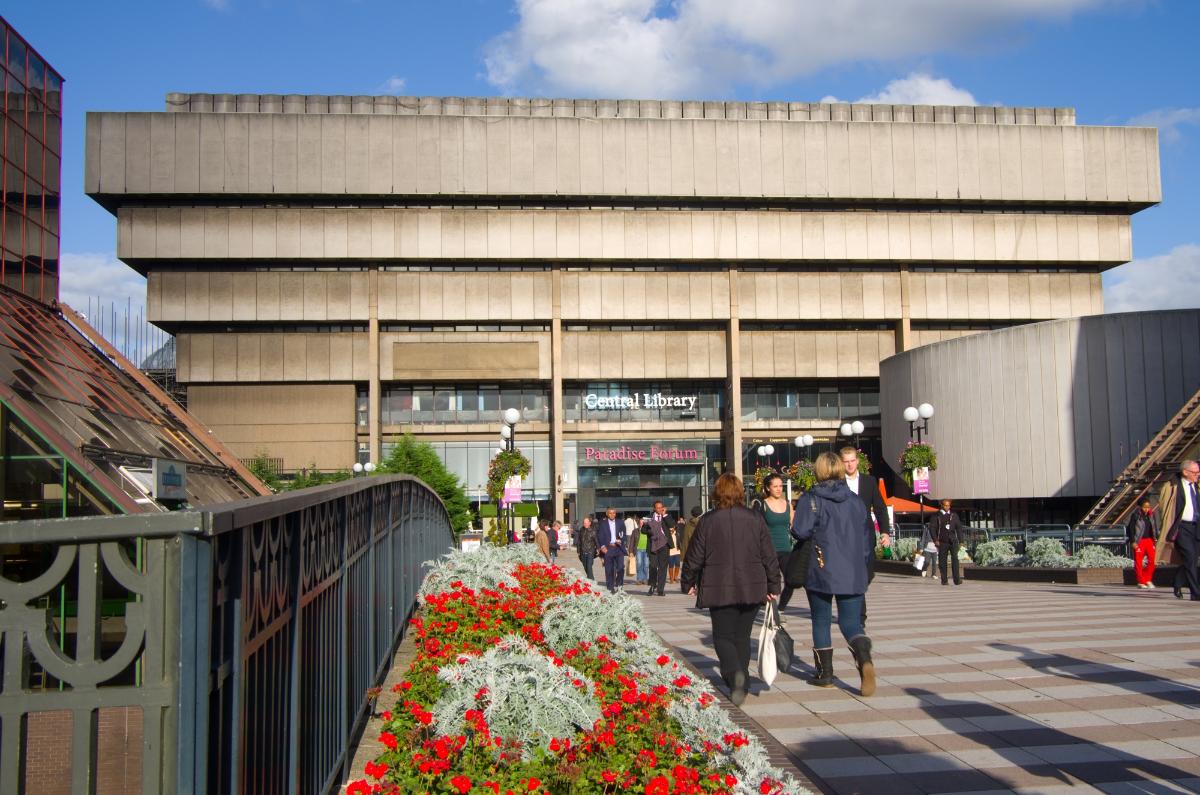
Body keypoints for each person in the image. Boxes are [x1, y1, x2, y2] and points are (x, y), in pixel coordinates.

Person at [680, 473, 781, 706]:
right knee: (742, 636)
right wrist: (773, 585)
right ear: (739, 493)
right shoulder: (755, 518)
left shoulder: (708, 521)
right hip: (752, 587)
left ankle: (734, 673)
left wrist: (688, 582)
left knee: (723, 636)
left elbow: (694, 556)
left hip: (719, 586)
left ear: (717, 493)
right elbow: (769, 555)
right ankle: (742, 680)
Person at [791, 452, 876, 696]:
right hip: (853, 570)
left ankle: (825, 674)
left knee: (821, 619)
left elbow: (801, 531)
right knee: (851, 622)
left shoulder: (812, 498)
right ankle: (862, 652)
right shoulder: (855, 500)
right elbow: (865, 537)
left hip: (822, 567)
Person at [841, 446, 889, 622]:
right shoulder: (838, 482)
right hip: (845, 537)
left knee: (867, 574)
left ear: (857, 461)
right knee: (852, 575)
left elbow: (880, 508)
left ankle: (854, 601)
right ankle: (859, 614)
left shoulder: (869, 481)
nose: (850, 465)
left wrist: (885, 532)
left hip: (866, 535)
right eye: (846, 462)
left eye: (852, 461)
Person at [1158, 460, 1200, 600]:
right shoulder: (1172, 486)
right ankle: (1195, 593)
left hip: (1196, 526)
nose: (1198, 475)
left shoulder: (1196, 486)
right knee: (1189, 556)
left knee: (1192, 559)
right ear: (1185, 472)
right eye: (1195, 472)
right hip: (1181, 527)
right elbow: (1164, 506)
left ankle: (1177, 582)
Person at [755, 473, 796, 609]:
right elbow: (755, 528)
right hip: (768, 550)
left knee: (791, 580)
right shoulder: (762, 505)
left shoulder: (787, 504)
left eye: (780, 486)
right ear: (768, 488)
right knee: (770, 581)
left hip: (786, 549)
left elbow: (795, 526)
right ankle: (768, 609)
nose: (779, 489)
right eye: (775, 486)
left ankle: (781, 607)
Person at [927, 499, 965, 586]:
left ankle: (957, 579)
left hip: (953, 541)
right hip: (942, 542)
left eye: (949, 505)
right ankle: (944, 580)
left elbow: (959, 528)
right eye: (945, 505)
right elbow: (932, 528)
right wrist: (935, 540)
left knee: (955, 560)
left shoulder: (954, 515)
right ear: (941, 505)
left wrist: (961, 541)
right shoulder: (936, 516)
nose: (947, 507)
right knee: (942, 561)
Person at [640, 501, 671, 596]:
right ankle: (653, 586)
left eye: (661, 507)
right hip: (653, 545)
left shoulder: (666, 516)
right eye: (658, 508)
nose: (660, 509)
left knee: (663, 567)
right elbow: (643, 530)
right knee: (653, 566)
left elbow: (672, 525)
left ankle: (660, 589)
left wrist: (665, 515)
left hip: (664, 545)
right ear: (654, 508)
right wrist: (651, 531)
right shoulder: (648, 517)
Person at [1127, 501, 1159, 589]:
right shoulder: (1135, 515)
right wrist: (1133, 541)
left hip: (1149, 540)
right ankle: (1141, 581)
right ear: (1141, 507)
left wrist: (1155, 537)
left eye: (1148, 507)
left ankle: (1147, 579)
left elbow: (1154, 527)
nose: (1147, 509)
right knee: (1138, 561)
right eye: (1145, 507)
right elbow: (1130, 529)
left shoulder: (1151, 515)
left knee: (1152, 560)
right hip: (1139, 541)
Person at [598, 507, 627, 593]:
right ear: (607, 514)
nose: (612, 515)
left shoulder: (620, 522)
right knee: (609, 569)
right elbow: (599, 535)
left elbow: (624, 535)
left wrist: (621, 540)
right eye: (610, 513)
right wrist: (602, 546)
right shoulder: (602, 523)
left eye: (614, 513)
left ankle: (619, 585)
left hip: (618, 548)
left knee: (621, 568)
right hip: (608, 548)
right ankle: (610, 588)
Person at [630, 517, 652, 585]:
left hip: (647, 550)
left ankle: (645, 579)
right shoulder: (635, 531)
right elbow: (632, 542)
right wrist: (631, 551)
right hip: (638, 549)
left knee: (646, 565)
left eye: (644, 523)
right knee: (639, 564)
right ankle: (639, 579)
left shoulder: (649, 531)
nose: (642, 524)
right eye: (641, 522)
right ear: (639, 523)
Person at [577, 516, 598, 581]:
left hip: (590, 551)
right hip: (582, 551)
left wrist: (598, 549)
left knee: (589, 567)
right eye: (584, 523)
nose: (585, 524)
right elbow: (579, 541)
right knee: (585, 567)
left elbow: (596, 541)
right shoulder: (581, 530)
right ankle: (590, 579)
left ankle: (592, 581)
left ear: (590, 523)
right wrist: (578, 550)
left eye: (586, 523)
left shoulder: (593, 530)